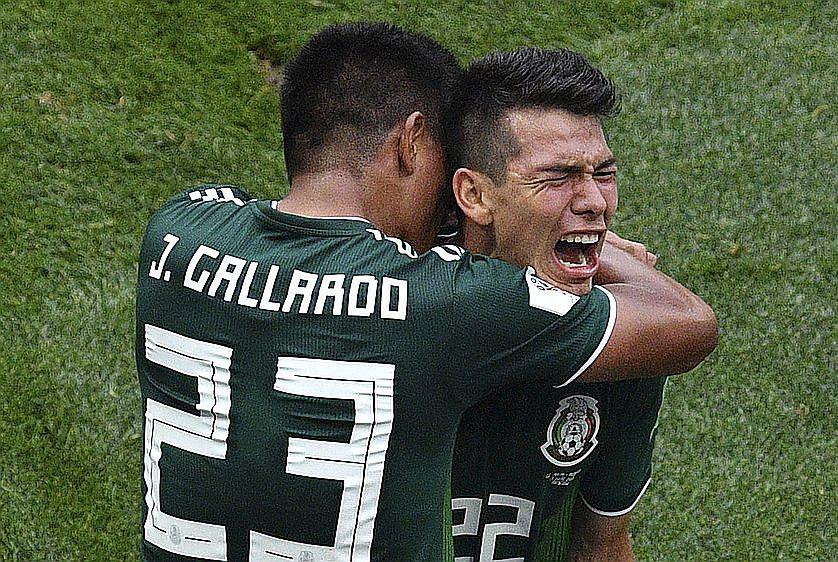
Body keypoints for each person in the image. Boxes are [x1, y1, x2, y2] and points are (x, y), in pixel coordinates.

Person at [135, 23, 716, 561]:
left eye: (602, 176)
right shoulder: (448, 304)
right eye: (556, 178)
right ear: (413, 145)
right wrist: (606, 247)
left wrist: (553, 228)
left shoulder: (177, 231)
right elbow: (687, 322)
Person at [447, 48, 689, 561]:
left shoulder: (624, 338)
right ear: (475, 195)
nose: (595, 202)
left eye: (603, 173)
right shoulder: (398, 308)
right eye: (558, 177)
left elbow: (602, 543)